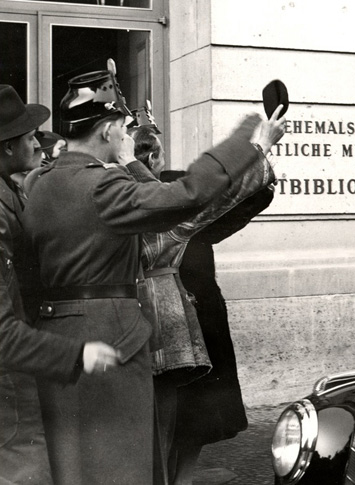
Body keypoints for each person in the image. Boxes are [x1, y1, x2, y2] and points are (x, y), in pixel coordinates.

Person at [21, 63, 268, 484]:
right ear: (107, 131)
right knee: (123, 462)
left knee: (74, 464)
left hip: (55, 338)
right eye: (122, 129)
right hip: (111, 334)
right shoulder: (101, 186)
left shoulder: (37, 183)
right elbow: (187, 195)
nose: (124, 138)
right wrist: (251, 141)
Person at [127, 113, 282, 485]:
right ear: (149, 159)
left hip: (160, 317)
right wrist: (259, 152)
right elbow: (236, 198)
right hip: (185, 315)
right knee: (187, 416)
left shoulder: (120, 194)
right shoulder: (170, 195)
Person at [0, 84, 120, 485]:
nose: (38, 144)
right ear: (6, 148)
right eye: (29, 137)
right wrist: (76, 354)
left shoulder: (13, 191)